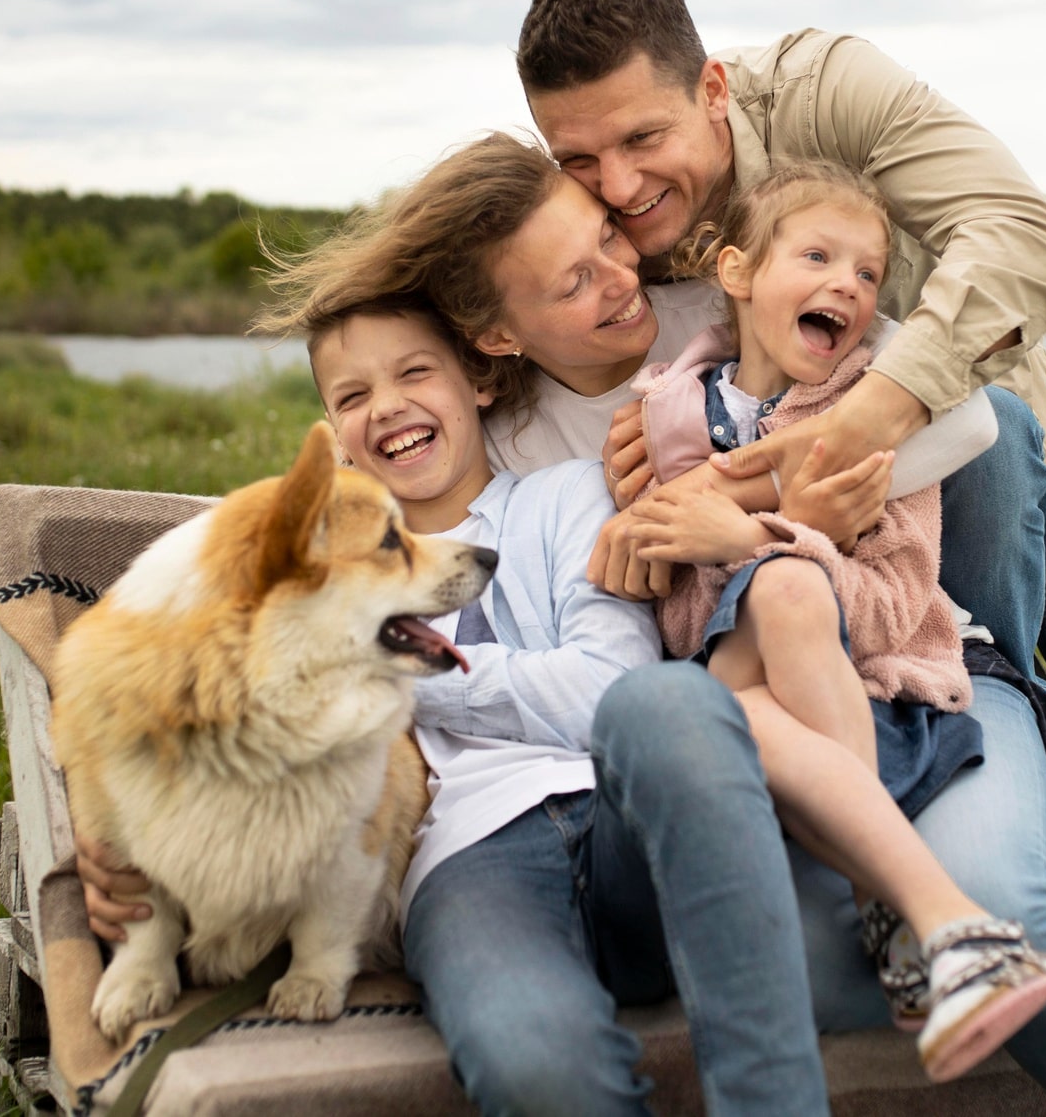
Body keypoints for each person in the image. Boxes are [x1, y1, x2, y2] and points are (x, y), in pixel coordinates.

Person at [264, 134, 1046, 1115]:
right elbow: (233, 660)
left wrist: (737, 503)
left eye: (605, 242)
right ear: (494, 344)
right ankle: (960, 906)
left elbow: (981, 430)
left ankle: (1020, 928)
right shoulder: (493, 456)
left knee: (953, 872)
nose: (619, 280)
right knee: (763, 881)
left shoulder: (705, 324)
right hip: (719, 721)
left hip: (878, 665)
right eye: (572, 282)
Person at [514, 0, 1046, 977]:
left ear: (711, 89)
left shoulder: (825, 89)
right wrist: (650, 424)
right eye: (578, 158)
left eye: (642, 138)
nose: (618, 187)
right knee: (975, 699)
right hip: (806, 510)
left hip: (981, 416)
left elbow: (1023, 233)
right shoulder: (596, 210)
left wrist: (863, 420)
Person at [304, 294, 829, 1115]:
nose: (389, 407)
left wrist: (399, 672)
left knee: (668, 700)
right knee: (536, 1062)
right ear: (334, 432)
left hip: (625, 816)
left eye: (415, 372)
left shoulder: (564, 497)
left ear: (475, 381)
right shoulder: (323, 572)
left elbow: (605, 690)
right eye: (352, 395)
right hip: (467, 858)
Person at [630, 158, 1046, 1079]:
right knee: (760, 632)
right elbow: (679, 625)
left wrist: (762, 538)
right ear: (738, 270)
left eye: (868, 274)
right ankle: (932, 919)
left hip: (863, 695)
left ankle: (916, 916)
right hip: (746, 700)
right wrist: (757, 542)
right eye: (819, 255)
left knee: (789, 591)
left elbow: (892, 611)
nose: (848, 285)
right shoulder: (668, 413)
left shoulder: (877, 415)